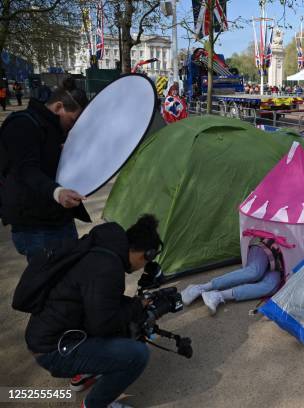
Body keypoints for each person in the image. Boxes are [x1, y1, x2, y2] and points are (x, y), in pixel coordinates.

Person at [20, 214, 162, 408]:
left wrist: (134, 306)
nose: (142, 267)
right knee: (137, 355)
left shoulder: (101, 250)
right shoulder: (108, 268)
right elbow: (103, 324)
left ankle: (83, 375)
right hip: (53, 350)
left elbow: (100, 305)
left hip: (51, 335)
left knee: (125, 321)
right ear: (145, 254)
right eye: (146, 262)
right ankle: (93, 404)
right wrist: (137, 308)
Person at [0, 77, 91, 261]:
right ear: (58, 107)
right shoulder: (22, 125)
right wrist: (58, 192)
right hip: (35, 226)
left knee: (67, 276)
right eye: (72, 121)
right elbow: (26, 170)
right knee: (48, 282)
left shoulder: (54, 129)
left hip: (58, 218)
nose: (73, 127)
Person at [181, 238, 283, 314]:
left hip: (280, 266)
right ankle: (201, 287)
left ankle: (218, 295)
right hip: (266, 247)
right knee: (254, 272)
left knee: (270, 286)